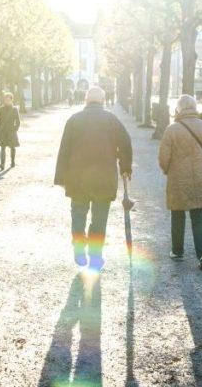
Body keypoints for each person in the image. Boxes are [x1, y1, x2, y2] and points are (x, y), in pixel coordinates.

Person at [54, 86, 133, 271]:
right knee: (100, 218)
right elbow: (126, 143)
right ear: (103, 100)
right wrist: (125, 168)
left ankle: (79, 249)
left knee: (78, 213)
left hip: (77, 176)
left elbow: (64, 149)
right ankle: (96, 257)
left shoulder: (74, 120)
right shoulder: (112, 120)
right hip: (104, 177)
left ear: (86, 100)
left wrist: (61, 177)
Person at [157, 94, 202, 271]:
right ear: (194, 107)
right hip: (200, 176)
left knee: (177, 214)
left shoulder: (172, 129)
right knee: (198, 215)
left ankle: (177, 251)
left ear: (178, 109)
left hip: (178, 177)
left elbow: (163, 158)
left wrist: (167, 170)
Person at [0, 92, 20, 170]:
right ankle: (2, 164)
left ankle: (12, 161)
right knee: (2, 148)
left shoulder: (15, 109)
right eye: (6, 100)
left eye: (9, 100)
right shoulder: (1, 109)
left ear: (12, 100)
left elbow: (18, 121)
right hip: (3, 131)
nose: (7, 101)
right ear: (4, 100)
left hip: (12, 131)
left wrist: (14, 129)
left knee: (12, 147)